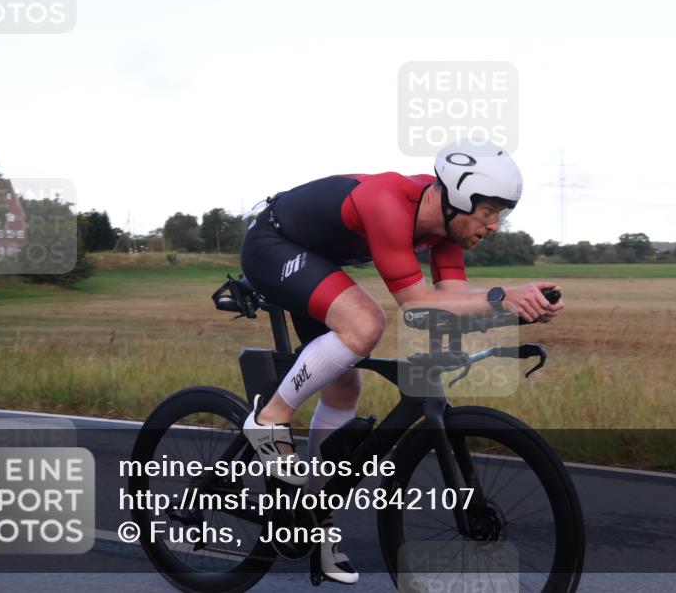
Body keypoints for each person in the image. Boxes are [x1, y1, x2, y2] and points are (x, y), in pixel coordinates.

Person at [238, 140, 564, 583]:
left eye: (501, 214)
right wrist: (503, 296)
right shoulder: (389, 202)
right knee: (365, 324)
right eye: (489, 211)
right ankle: (269, 420)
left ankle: (311, 517)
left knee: (345, 385)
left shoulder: (446, 231)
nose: (495, 225)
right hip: (272, 244)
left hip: (313, 259)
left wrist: (511, 308)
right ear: (459, 196)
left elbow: (448, 306)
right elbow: (414, 305)